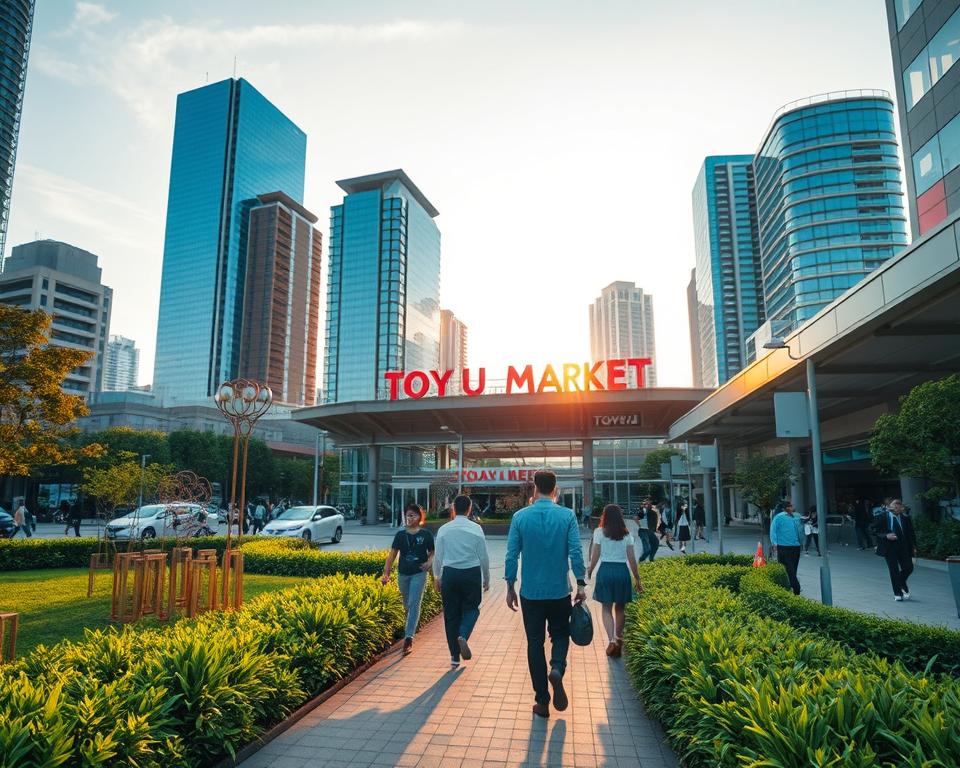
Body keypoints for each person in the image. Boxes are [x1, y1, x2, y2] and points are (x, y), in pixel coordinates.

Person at [505, 469, 586, 719]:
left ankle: (542, 701)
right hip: (559, 591)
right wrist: (581, 583)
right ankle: (558, 668)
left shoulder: (520, 517)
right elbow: (575, 551)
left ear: (534, 488)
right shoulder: (567, 516)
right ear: (555, 489)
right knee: (560, 635)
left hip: (531, 593)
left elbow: (511, 554)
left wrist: (510, 585)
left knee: (534, 643)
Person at [433, 495, 490, 668]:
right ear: (469, 509)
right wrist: (486, 578)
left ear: (453, 509)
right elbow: (484, 557)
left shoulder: (444, 529)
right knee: (472, 608)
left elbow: (438, 557)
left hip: (450, 575)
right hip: (471, 574)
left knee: (451, 615)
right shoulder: (476, 529)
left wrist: (437, 576)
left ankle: (454, 657)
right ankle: (463, 634)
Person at [586, 504, 643, 657]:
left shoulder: (599, 532)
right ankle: (618, 638)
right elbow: (632, 559)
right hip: (622, 572)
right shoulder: (626, 534)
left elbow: (595, 554)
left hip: (605, 571)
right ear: (620, 517)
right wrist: (637, 578)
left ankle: (611, 640)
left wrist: (590, 570)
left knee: (606, 608)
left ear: (604, 516)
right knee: (620, 608)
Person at [382, 503, 435, 655]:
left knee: (414, 603)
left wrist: (429, 562)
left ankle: (409, 638)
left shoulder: (426, 535)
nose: (409, 518)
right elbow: (392, 555)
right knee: (407, 604)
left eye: (412, 515)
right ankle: (410, 626)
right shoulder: (400, 535)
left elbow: (432, 552)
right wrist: (386, 573)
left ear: (419, 517)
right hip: (403, 574)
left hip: (419, 574)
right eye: (407, 515)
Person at [876, 499, 917, 601]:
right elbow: (874, 530)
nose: (896, 508)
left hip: (903, 547)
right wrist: (886, 535)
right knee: (893, 570)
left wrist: (914, 548)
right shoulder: (882, 517)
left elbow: (911, 534)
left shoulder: (905, 518)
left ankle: (901, 582)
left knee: (909, 568)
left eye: (898, 507)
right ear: (890, 507)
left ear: (901, 509)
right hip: (889, 547)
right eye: (894, 506)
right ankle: (897, 593)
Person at [770, 501, 804, 595]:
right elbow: (773, 530)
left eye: (792, 506)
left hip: (796, 547)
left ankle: (790, 586)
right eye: (790, 506)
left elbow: (801, 529)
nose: (792, 507)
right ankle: (796, 588)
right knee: (788, 569)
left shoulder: (797, 516)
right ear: (785, 508)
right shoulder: (779, 517)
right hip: (783, 547)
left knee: (793, 568)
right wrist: (774, 543)